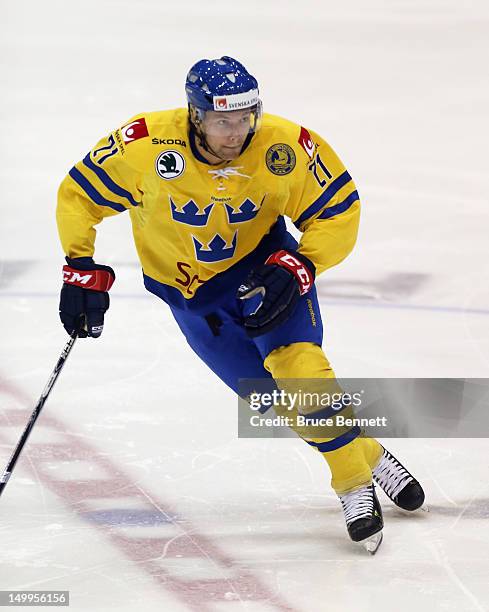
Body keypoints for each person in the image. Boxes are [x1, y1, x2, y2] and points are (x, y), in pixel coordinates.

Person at [56, 56, 424, 552]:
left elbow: (340, 210)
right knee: (271, 400)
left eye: (245, 118)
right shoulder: (144, 145)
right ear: (195, 115)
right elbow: (79, 195)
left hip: (266, 277)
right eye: (222, 120)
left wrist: (303, 264)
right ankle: (368, 452)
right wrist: (81, 267)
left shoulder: (284, 146)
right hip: (191, 300)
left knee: (300, 372)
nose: (236, 133)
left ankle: (352, 483)